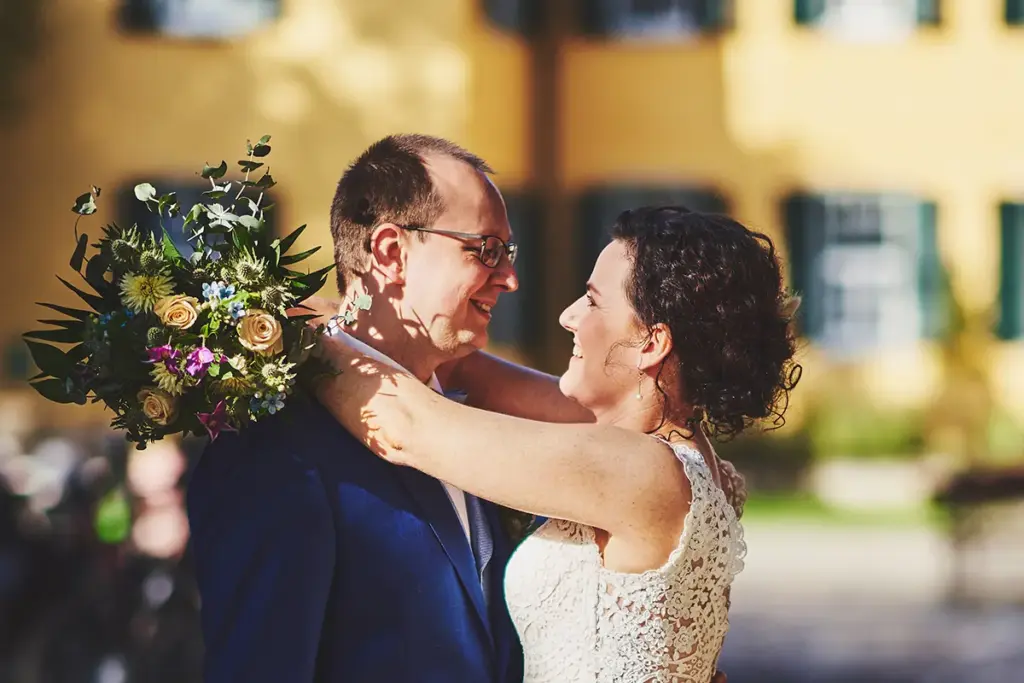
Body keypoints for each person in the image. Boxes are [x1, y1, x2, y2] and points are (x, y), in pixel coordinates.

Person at [310, 205, 802, 682]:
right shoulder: (668, 448)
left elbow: (407, 428)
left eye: (592, 300)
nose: (568, 316)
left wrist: (271, 329)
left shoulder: (639, 469)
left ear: (651, 343)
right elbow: (454, 363)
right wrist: (334, 308)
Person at [186, 134, 525, 682]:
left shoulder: (469, 423)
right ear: (392, 253)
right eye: (486, 249)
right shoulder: (280, 450)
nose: (509, 278)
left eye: (508, 253)